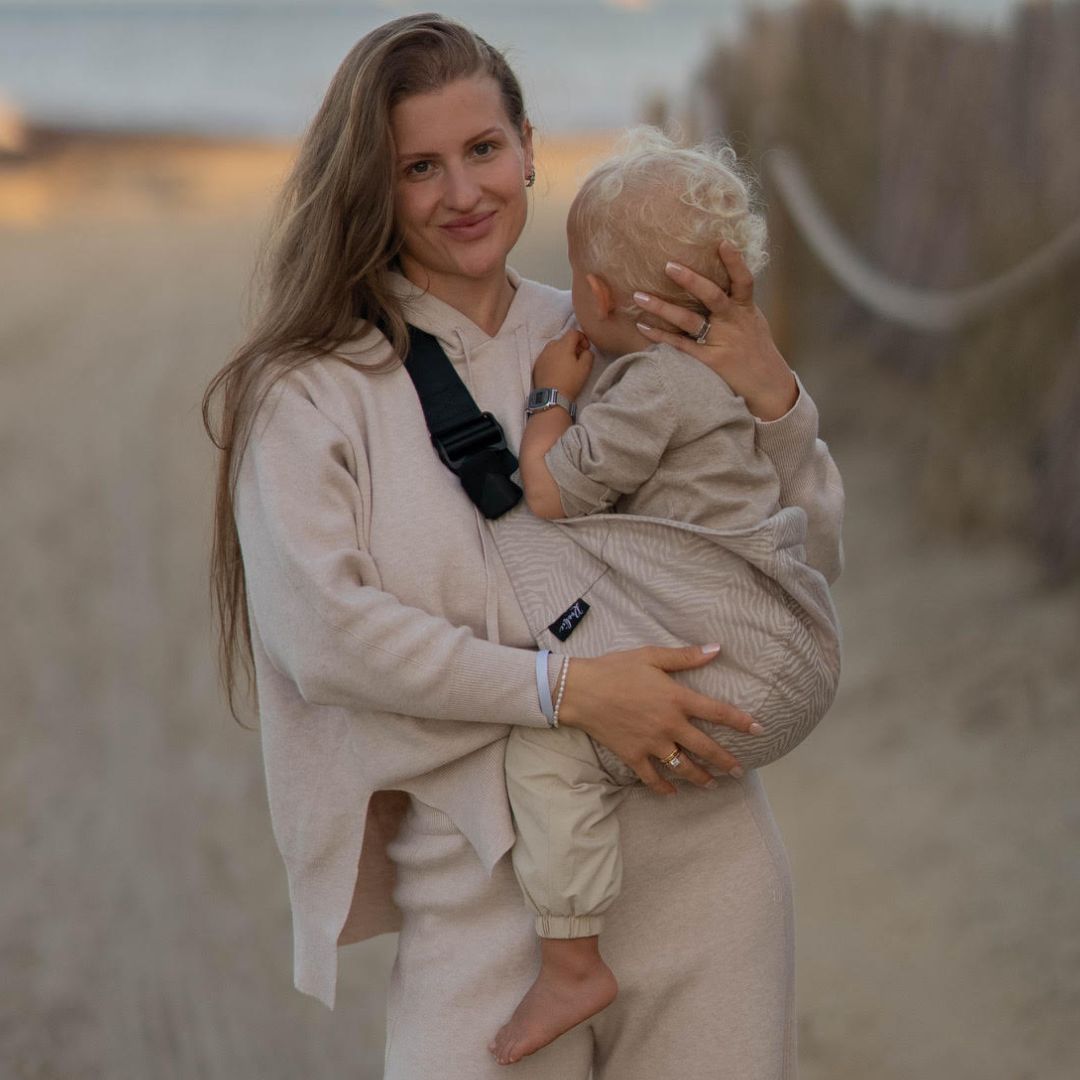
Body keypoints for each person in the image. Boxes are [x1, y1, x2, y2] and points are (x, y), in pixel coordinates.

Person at [202, 14, 843, 1080]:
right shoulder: (310, 391)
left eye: (484, 150)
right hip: (481, 897)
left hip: (707, 866)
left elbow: (796, 550)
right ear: (371, 183)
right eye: (420, 166)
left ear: (531, 147)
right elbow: (329, 637)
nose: (464, 193)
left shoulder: (618, 331)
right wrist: (567, 691)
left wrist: (775, 395)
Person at [490, 128, 842, 1065]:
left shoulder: (650, 388)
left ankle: (572, 963)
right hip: (794, 650)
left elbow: (557, 493)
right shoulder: (727, 380)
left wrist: (547, 406)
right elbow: (814, 516)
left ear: (596, 296)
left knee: (547, 755)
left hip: (735, 669)